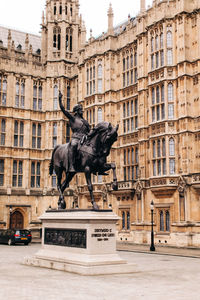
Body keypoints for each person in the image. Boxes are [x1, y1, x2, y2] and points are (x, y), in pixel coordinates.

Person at [59, 91, 90, 172]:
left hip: (84, 139)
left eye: (82, 109)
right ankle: (71, 166)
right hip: (76, 138)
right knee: (73, 145)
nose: (82, 111)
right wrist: (59, 99)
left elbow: (89, 132)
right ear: (76, 111)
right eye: (80, 109)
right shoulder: (73, 118)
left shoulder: (85, 121)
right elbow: (63, 110)